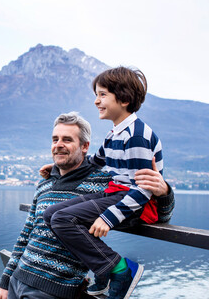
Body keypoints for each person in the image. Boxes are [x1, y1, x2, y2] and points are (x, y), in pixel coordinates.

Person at [0, 112, 174, 299]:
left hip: (54, 291)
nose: (59, 145)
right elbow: (25, 235)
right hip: (17, 281)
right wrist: (5, 282)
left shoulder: (105, 185)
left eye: (67, 140)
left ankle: (118, 271)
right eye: (55, 139)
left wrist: (164, 192)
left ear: (85, 146)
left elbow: (159, 216)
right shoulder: (45, 184)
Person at [43, 67, 163, 299]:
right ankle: (103, 269)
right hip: (116, 194)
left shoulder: (136, 136)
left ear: (125, 99)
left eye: (103, 94)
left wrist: (108, 217)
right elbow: (94, 163)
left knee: (64, 219)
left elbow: (144, 188)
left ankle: (119, 270)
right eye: (96, 95)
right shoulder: (114, 134)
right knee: (51, 215)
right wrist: (57, 167)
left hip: (136, 202)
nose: (96, 101)